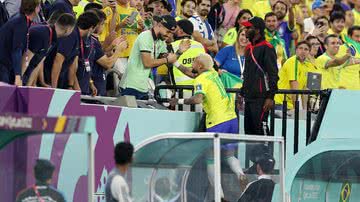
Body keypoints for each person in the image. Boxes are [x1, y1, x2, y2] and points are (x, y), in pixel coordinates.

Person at [170, 53, 246, 200]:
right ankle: (240, 174)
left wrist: (178, 101)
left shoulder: (201, 79)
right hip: (231, 119)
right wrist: (175, 63)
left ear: (200, 66)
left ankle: (220, 196)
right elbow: (191, 74)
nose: (192, 64)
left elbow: (198, 99)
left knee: (211, 159)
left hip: (217, 121)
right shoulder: (211, 73)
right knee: (229, 155)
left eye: (194, 61)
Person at [120, 15, 182, 100]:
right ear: (159, 25)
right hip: (131, 86)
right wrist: (167, 59)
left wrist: (179, 52)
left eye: (171, 33)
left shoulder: (161, 41)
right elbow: (147, 63)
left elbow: (169, 60)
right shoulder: (146, 36)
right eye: (168, 32)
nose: (169, 36)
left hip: (143, 87)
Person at [241, 16, 278, 136]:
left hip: (261, 98)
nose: (245, 30)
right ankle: (252, 156)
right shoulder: (249, 48)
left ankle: (266, 155)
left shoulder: (267, 48)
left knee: (261, 131)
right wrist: (243, 91)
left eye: (248, 27)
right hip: (249, 98)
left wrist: (270, 97)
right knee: (249, 133)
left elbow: (273, 74)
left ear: (257, 30)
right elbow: (247, 72)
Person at [44, 11, 99, 89]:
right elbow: (58, 61)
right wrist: (54, 88)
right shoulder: (71, 35)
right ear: (91, 28)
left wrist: (73, 86)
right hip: (50, 81)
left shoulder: (78, 37)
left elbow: (73, 65)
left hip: (62, 81)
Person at [101, 0, 144, 95]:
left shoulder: (134, 11)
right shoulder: (109, 10)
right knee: (119, 87)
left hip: (133, 55)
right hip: (118, 54)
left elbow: (139, 33)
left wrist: (143, 27)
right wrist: (120, 25)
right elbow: (109, 32)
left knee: (132, 87)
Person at [23, 13, 76, 87]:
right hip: (14, 73)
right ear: (69, 29)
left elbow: (38, 63)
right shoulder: (42, 33)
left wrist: (29, 85)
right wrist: (18, 78)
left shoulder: (53, 39)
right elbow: (26, 58)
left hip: (24, 76)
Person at [0, 0, 41, 86]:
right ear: (36, 8)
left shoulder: (20, 18)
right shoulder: (20, 22)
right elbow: (16, 50)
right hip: (2, 64)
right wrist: (18, 76)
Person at [274, 41, 315, 110]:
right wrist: (296, 110)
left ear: (309, 52)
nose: (303, 51)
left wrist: (304, 110)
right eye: (300, 48)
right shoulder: (293, 62)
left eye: (306, 49)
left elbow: (305, 89)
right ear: (296, 50)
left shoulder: (308, 65)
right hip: (280, 102)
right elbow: (294, 88)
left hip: (290, 104)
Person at [172, 19, 205, 86]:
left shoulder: (172, 46)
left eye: (176, 29)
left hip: (179, 89)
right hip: (197, 87)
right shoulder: (199, 45)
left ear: (180, 31)